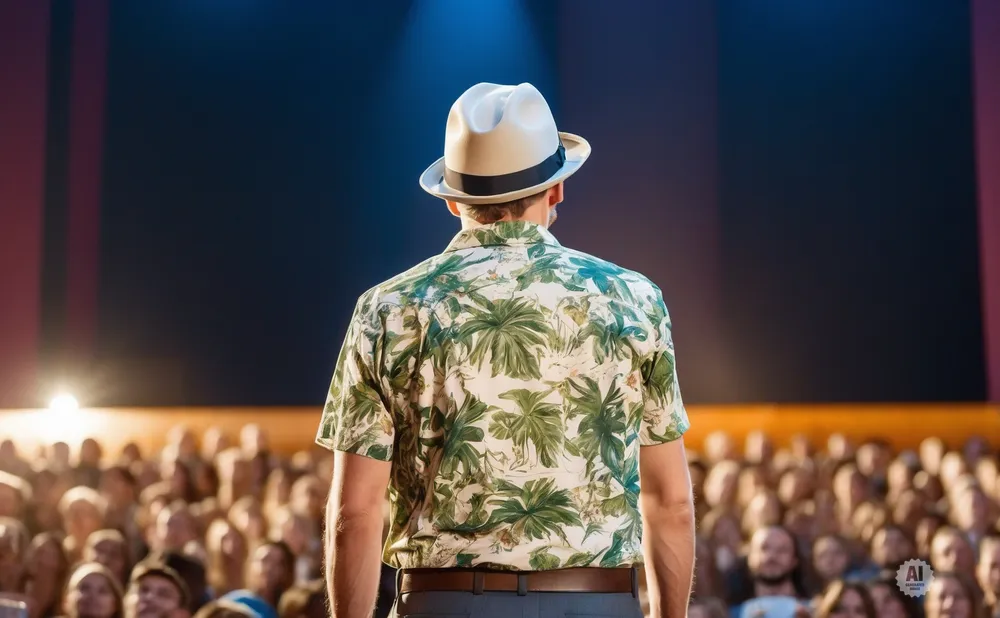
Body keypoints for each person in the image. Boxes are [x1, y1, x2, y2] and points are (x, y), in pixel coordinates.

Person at [315, 82, 694, 618]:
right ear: (556, 190)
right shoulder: (631, 299)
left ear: (452, 200)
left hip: (442, 604)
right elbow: (671, 502)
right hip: (596, 602)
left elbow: (355, 512)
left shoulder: (389, 309)